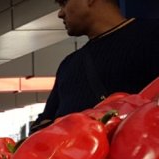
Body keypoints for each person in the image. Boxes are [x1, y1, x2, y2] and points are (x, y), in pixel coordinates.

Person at [33, 0, 159, 129]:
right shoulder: (68, 65)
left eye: (64, 3)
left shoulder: (153, 37)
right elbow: (44, 123)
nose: (60, 14)